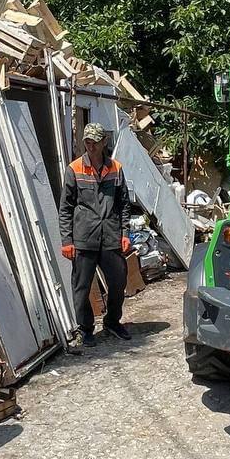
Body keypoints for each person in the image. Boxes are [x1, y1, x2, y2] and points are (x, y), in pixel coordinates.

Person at [59, 122, 132, 348]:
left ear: (104, 142)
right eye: (87, 141)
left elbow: (124, 204)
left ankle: (112, 321)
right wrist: (67, 240)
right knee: (81, 288)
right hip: (84, 238)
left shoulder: (116, 169)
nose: (90, 145)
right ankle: (86, 328)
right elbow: (66, 208)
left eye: (94, 141)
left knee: (118, 283)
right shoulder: (75, 169)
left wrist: (125, 233)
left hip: (110, 236)